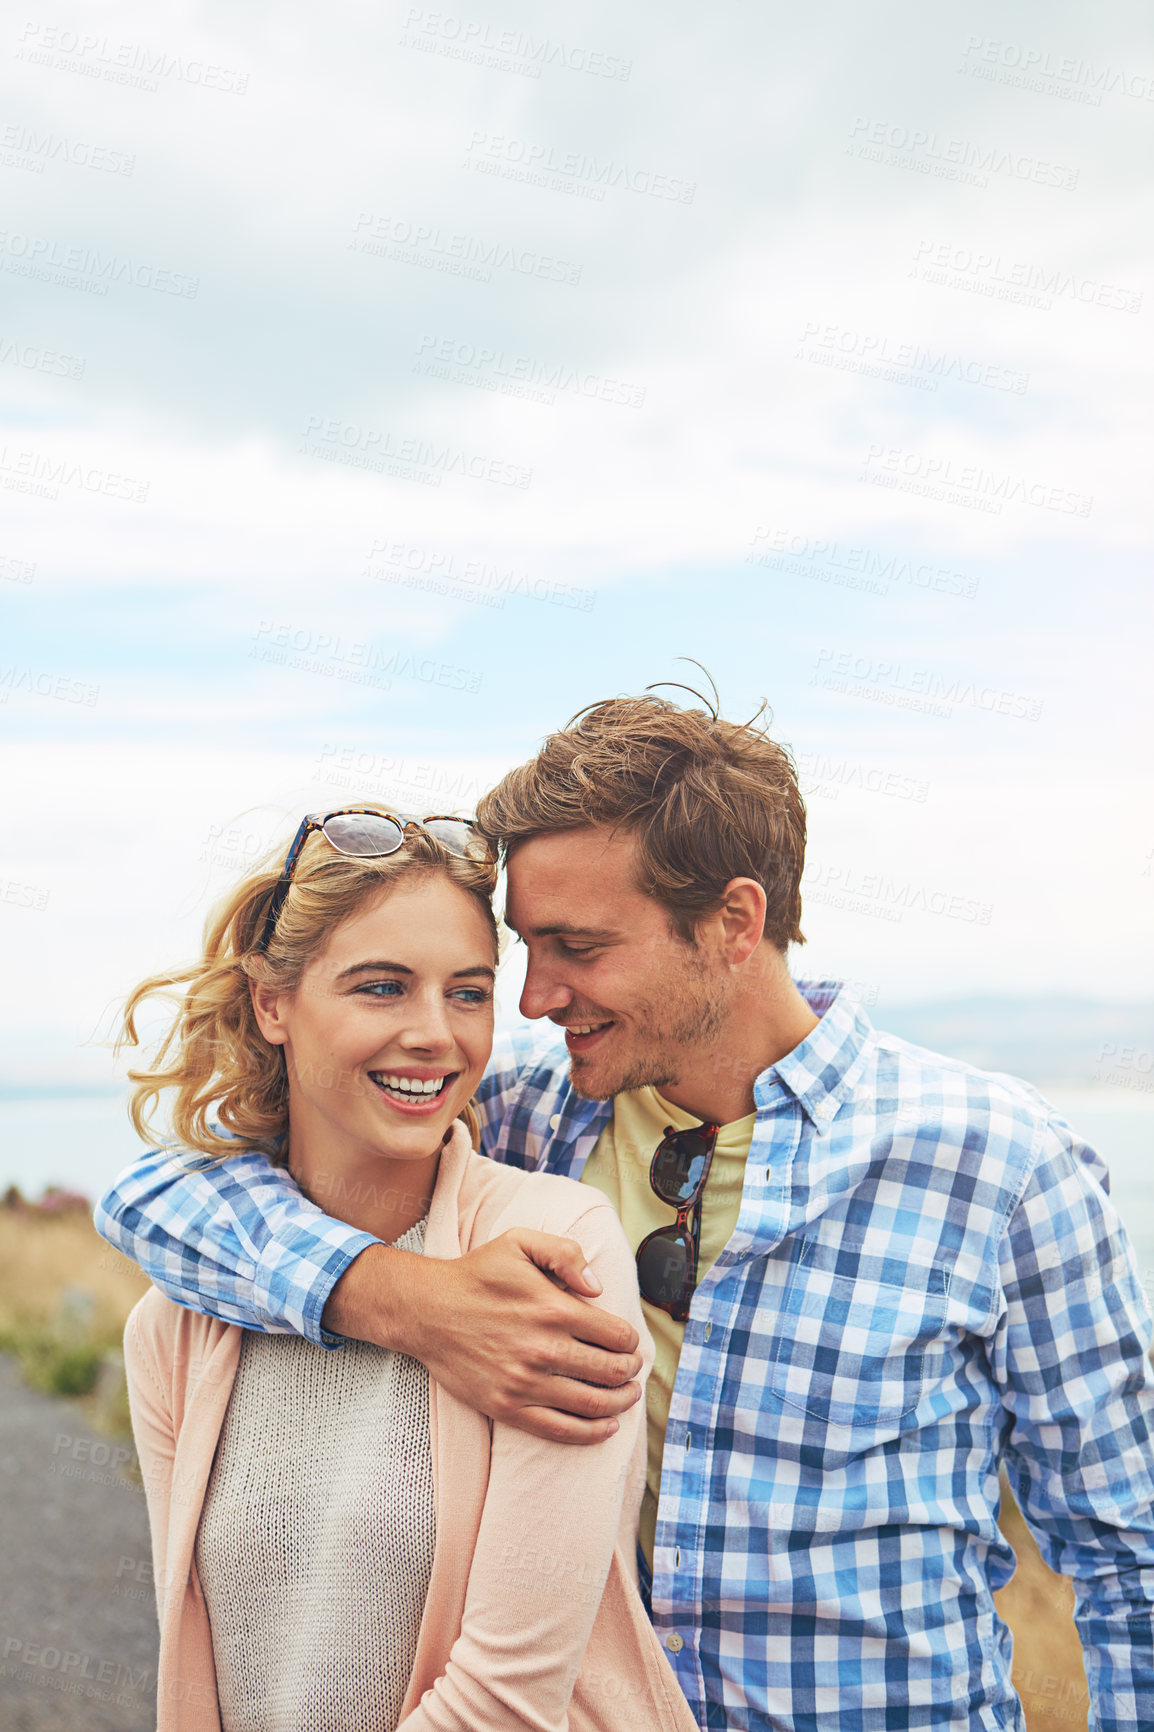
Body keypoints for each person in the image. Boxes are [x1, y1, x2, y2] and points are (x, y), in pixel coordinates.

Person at [99, 692, 1154, 1732]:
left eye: (578, 947)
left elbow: (1128, 1560)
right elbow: (163, 1197)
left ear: (732, 924)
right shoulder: (523, 1118)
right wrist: (394, 1296)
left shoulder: (998, 1162)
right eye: (526, 949)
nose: (532, 997)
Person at [114, 807, 697, 1732]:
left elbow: (508, 1698)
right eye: (382, 988)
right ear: (273, 1004)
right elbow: (199, 1664)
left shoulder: (553, 1248)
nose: (436, 1034)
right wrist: (396, 1295)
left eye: (468, 994)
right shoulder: (176, 1327)